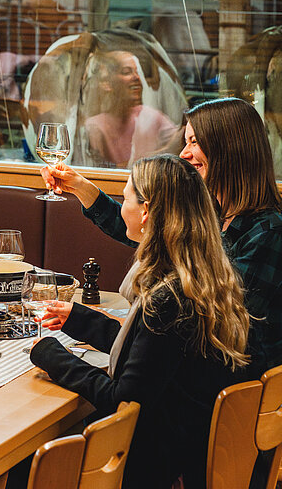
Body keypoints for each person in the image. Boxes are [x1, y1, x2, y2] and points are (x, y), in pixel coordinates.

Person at [31, 154, 249, 489]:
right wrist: (77, 317)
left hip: (153, 465)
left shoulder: (169, 299)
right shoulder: (196, 278)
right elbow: (151, 355)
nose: (121, 207)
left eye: (125, 198)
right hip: (187, 443)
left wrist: (50, 355)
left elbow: (122, 399)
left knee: (29, 463)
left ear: (145, 212)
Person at [43, 97, 282, 373]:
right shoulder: (213, 214)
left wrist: (109, 326)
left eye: (194, 142)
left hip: (228, 393)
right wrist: (81, 188)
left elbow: (215, 326)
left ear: (228, 148)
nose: (184, 153)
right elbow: (147, 231)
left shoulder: (268, 232)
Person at [82, 50, 177, 168]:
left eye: (138, 72)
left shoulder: (151, 117)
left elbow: (179, 144)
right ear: (106, 83)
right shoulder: (94, 127)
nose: (137, 77)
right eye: (127, 72)